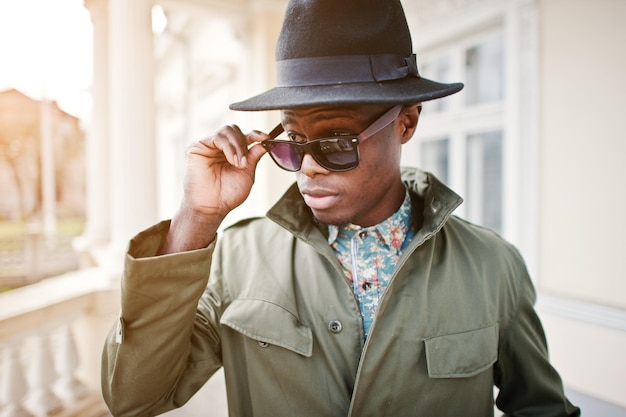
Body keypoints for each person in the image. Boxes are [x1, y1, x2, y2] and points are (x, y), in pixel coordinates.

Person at [101, 0, 581, 416]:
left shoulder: (491, 266)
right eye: (293, 141)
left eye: (334, 140)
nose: (308, 167)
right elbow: (134, 397)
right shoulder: (236, 259)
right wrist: (196, 218)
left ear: (407, 123)